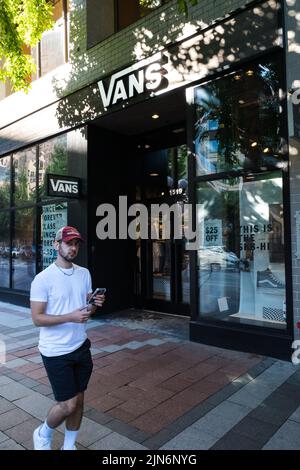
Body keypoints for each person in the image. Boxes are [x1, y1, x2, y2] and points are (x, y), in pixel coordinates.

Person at [30, 226, 105, 450]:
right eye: (68, 243)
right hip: (55, 351)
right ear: (56, 245)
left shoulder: (84, 273)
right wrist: (70, 316)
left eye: (76, 244)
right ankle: (43, 432)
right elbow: (37, 318)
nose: (73, 248)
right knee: (67, 404)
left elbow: (85, 312)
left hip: (81, 346)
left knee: (79, 401)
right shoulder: (43, 279)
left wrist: (94, 305)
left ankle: (69, 446)